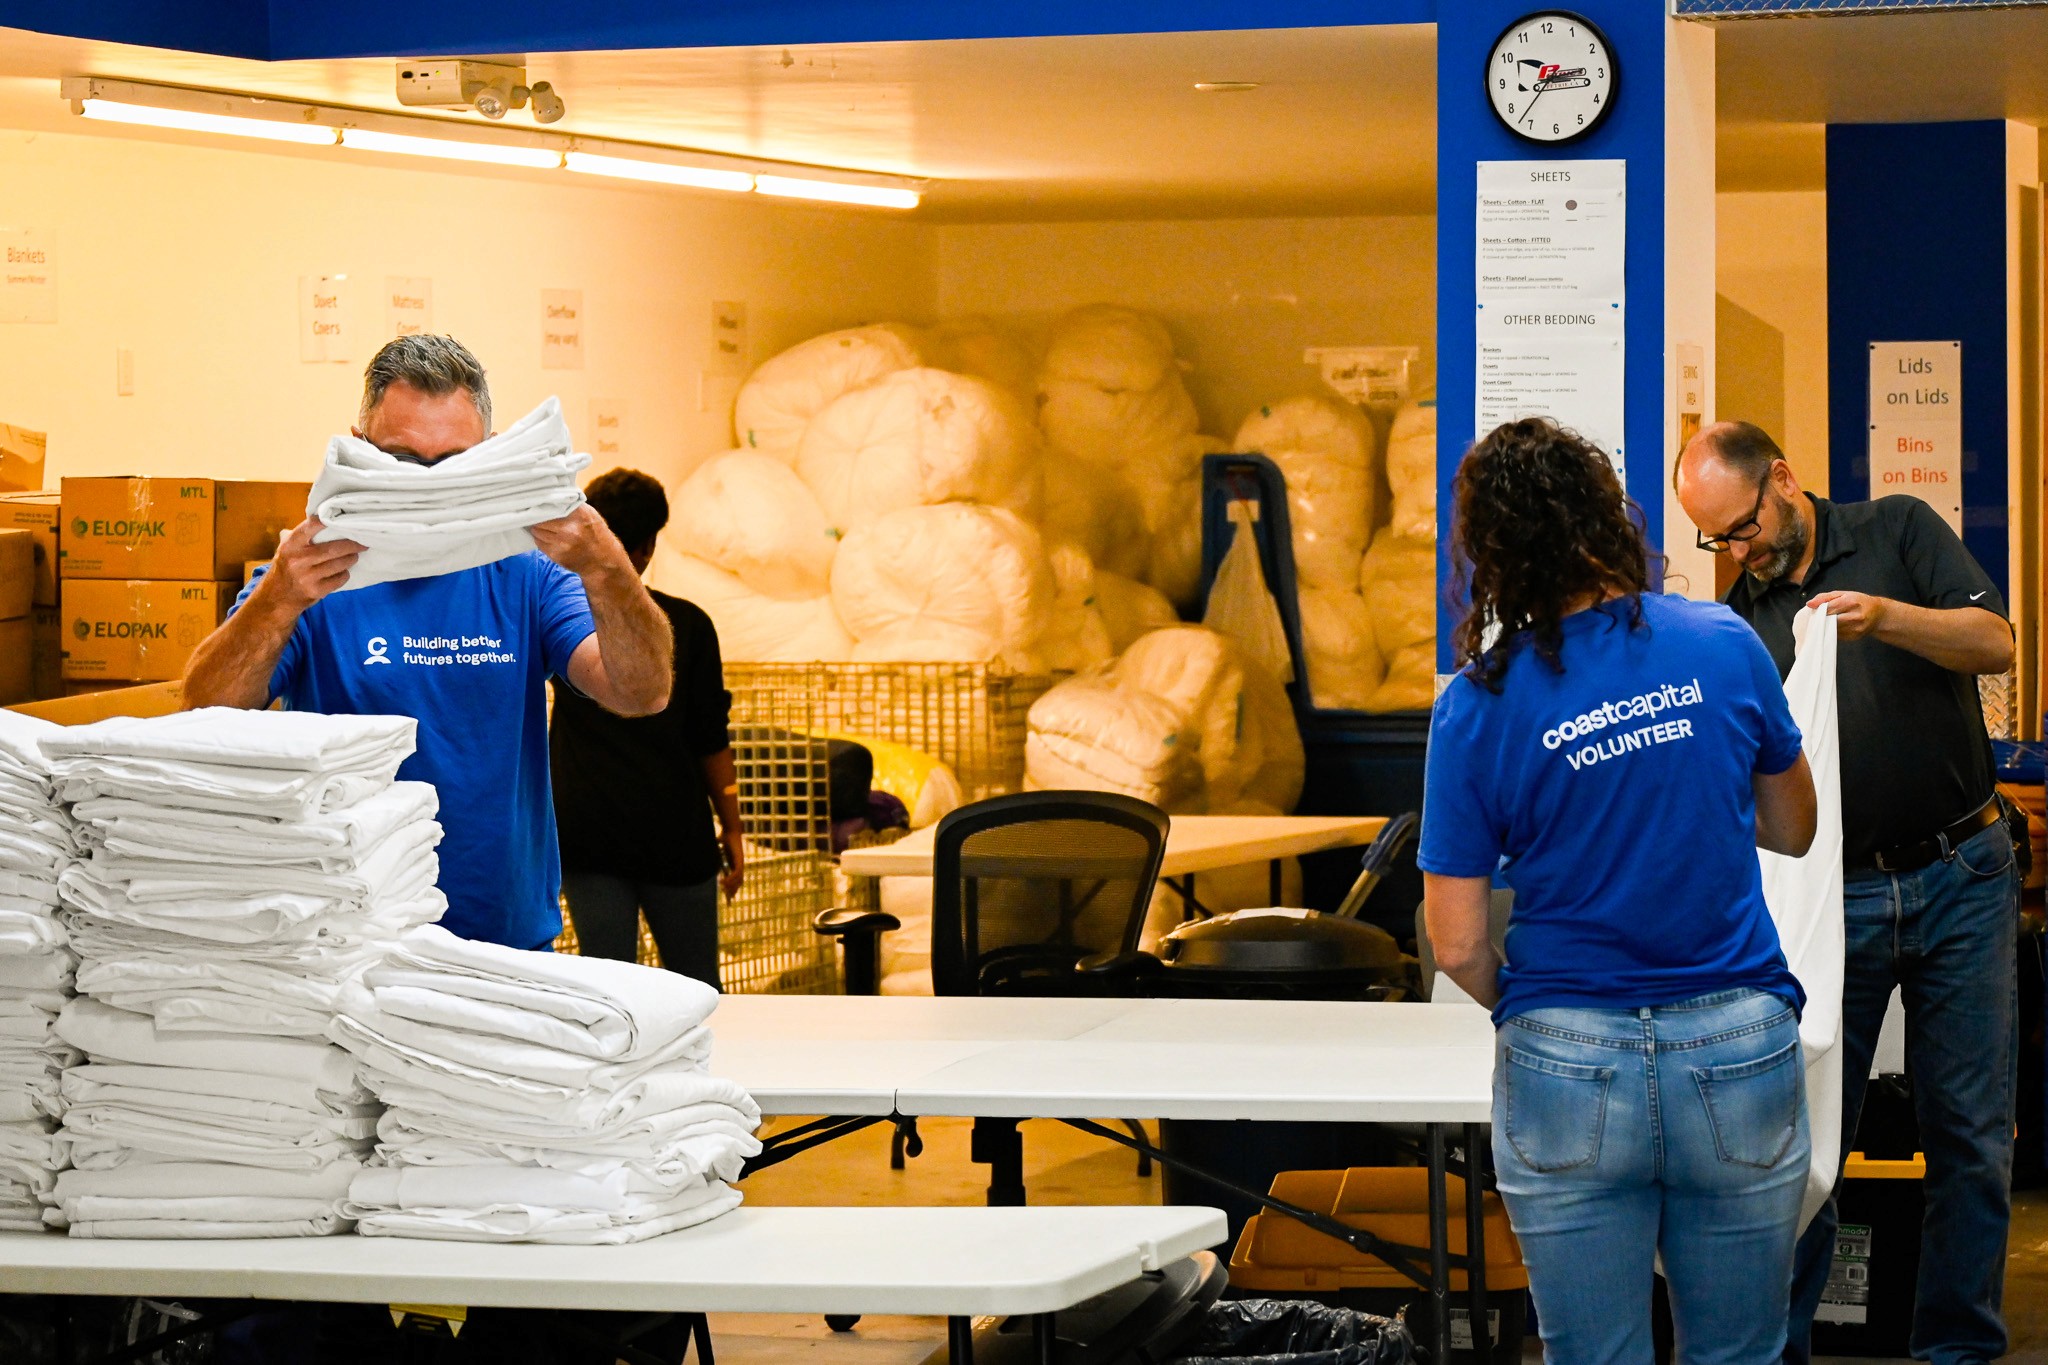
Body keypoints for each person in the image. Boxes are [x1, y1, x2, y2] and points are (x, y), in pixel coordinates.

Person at [1422, 418, 1819, 1365]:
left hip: (1565, 1054)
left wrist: (1539, 1011)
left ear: (1495, 551)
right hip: (1734, 1036)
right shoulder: (1723, 641)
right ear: (1609, 516)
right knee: (1739, 1353)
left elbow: (1458, 944)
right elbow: (1794, 829)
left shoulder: (1476, 703)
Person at [1675, 421, 2020, 1365]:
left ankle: (1958, 1348)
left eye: (1739, 528)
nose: (1733, 553)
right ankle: (1776, 1352)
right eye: (1713, 541)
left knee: (1971, 1136)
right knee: (1803, 1139)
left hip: (1964, 873)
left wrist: (1883, 616)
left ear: (1782, 479)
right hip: (1839, 894)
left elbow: (1995, 642)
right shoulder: (1740, 619)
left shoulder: (1900, 529)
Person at [183, 334, 674, 949]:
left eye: (454, 464)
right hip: (345, 935)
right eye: (404, 462)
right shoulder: (313, 573)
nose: (429, 487)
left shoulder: (529, 572)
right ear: (360, 449)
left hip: (502, 938)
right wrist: (280, 596)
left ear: (491, 456)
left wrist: (606, 568)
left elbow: (641, 692)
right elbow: (203, 709)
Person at [550, 468, 743, 986]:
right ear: (647, 546)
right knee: (698, 988)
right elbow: (710, 738)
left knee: (612, 993)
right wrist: (734, 828)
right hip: (673, 834)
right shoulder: (688, 626)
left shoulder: (563, 620)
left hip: (587, 834)